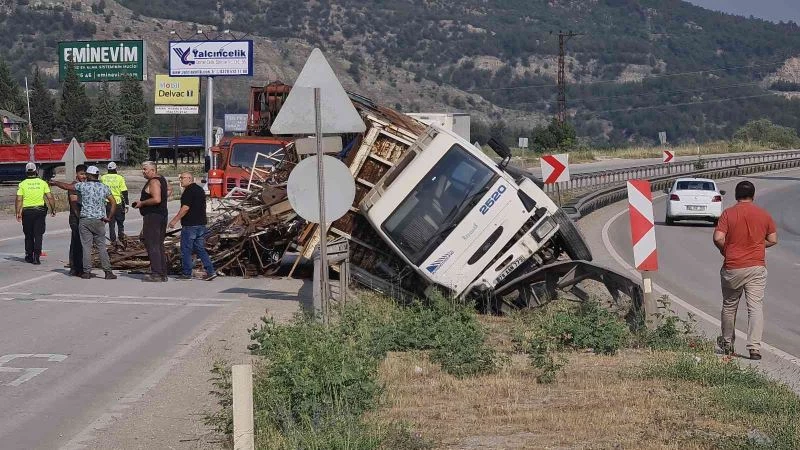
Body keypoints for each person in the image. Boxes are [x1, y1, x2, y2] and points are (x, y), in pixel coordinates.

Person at [713, 180, 777, 360]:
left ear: (736, 196)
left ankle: (727, 343)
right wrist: (756, 245)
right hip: (756, 267)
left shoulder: (728, 213)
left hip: (733, 267)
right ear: (753, 196)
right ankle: (754, 348)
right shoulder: (764, 215)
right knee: (755, 307)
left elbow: (718, 237)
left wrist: (726, 249)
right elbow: (773, 239)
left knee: (729, 305)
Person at [50, 166, 118, 280]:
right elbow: (114, 202)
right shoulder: (104, 187)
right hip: (99, 220)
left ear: (89, 175)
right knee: (101, 247)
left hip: (85, 220)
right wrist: (109, 217)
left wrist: (55, 182)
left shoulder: (83, 186)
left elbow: (67, 186)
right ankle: (108, 272)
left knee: (86, 247)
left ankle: (86, 272)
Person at [169, 172, 216, 281]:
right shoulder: (199, 190)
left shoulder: (189, 191)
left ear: (190, 179)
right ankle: (211, 271)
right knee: (200, 249)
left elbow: (185, 208)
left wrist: (174, 220)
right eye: (180, 178)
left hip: (191, 225)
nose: (181, 180)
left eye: (183, 178)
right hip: (201, 224)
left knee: (186, 249)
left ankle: (186, 273)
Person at [132, 161, 169, 282]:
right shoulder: (162, 179)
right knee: (158, 244)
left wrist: (142, 203)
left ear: (153, 170)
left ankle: (157, 273)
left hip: (153, 216)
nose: (143, 171)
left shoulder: (153, 181)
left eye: (145, 169)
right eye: (142, 169)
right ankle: (162, 272)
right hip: (161, 215)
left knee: (152, 244)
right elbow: (168, 192)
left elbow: (157, 199)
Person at [15, 162, 56, 264]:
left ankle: (29, 255)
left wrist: (17, 212)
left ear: (26, 172)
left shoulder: (22, 184)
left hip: (27, 211)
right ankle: (36, 257)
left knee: (28, 234)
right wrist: (53, 209)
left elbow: (19, 199)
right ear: (36, 171)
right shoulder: (42, 183)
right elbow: (50, 197)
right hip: (40, 211)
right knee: (38, 234)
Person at [100, 162, 129, 249]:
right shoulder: (120, 178)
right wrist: (127, 204)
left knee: (111, 224)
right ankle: (121, 238)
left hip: (108, 203)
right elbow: (124, 192)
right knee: (120, 223)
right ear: (116, 169)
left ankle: (113, 242)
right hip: (118, 202)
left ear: (108, 169)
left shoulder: (103, 178)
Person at [68, 164, 88, 276]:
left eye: (85, 174)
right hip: (76, 218)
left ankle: (81, 266)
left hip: (84, 217)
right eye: (81, 174)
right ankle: (74, 267)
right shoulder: (74, 186)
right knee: (76, 242)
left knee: (83, 243)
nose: (84, 176)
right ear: (76, 174)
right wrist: (80, 218)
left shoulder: (85, 185)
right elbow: (74, 204)